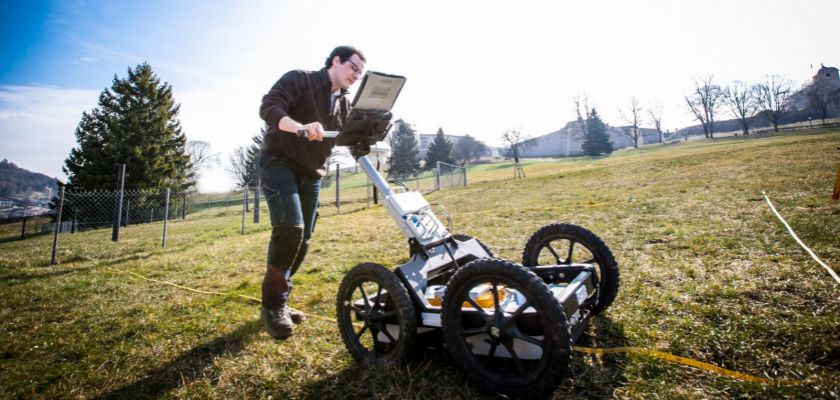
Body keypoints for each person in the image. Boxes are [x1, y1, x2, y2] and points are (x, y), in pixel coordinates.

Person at [258, 45, 365, 338]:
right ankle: (273, 306)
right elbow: (269, 107)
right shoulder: (300, 79)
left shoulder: (345, 105)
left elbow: (353, 137)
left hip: (311, 175)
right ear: (336, 61)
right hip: (279, 164)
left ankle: (279, 298)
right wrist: (299, 127)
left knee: (303, 238)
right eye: (353, 68)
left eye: (360, 72)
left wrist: (374, 127)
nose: (356, 75)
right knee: (290, 227)